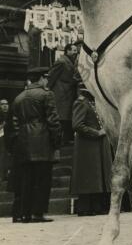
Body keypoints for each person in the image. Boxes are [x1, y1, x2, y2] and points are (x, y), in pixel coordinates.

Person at [10, 67, 61, 222]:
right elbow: (53, 120)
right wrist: (56, 140)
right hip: (42, 141)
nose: (47, 80)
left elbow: (13, 123)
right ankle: (37, 213)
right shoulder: (47, 94)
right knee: (43, 179)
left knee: (26, 180)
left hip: (24, 142)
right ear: (41, 78)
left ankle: (24, 213)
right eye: (45, 77)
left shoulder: (19, 97)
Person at [70, 83, 113, 216]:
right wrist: (96, 133)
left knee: (96, 177)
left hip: (94, 145)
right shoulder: (81, 102)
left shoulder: (90, 102)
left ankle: (96, 206)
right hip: (87, 145)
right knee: (90, 177)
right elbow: (77, 125)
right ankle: (86, 208)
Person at [47, 43, 79, 146]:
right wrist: (47, 89)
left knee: (67, 116)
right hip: (61, 93)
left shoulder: (72, 62)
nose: (76, 52)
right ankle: (59, 139)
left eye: (76, 50)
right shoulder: (61, 61)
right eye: (74, 50)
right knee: (61, 116)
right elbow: (51, 76)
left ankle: (65, 139)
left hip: (69, 93)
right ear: (67, 51)